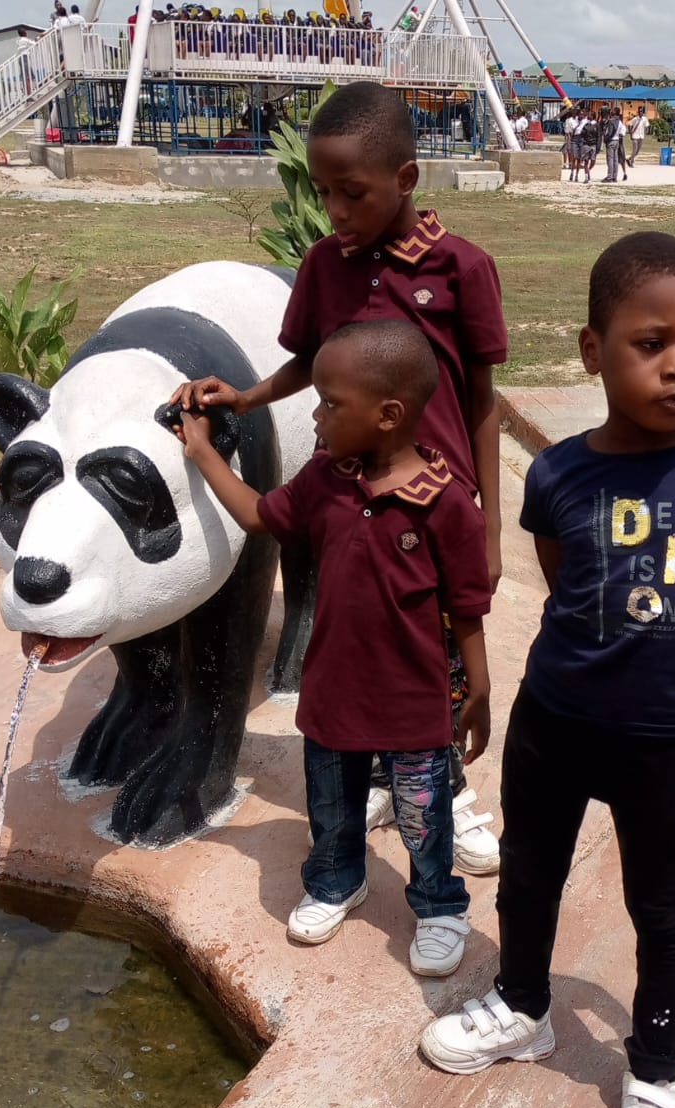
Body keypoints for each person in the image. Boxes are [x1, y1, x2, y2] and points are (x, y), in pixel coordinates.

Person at [418, 231, 675, 1108]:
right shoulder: (556, 474)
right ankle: (523, 1006)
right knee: (528, 876)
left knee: (663, 909)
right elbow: (567, 586)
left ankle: (657, 1070)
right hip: (554, 725)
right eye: (650, 344)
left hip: (666, 744)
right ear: (593, 351)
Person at [170, 81, 508, 874]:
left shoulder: (462, 268)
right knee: (366, 644)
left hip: (435, 503)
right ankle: (382, 777)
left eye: (351, 192)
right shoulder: (325, 265)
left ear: (405, 178)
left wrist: (490, 523)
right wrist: (246, 396)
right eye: (323, 193)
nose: (335, 211)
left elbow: (482, 400)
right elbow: (312, 363)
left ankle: (446, 792)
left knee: (437, 657)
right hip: (351, 498)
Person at [174, 321, 491, 974]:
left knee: (425, 816)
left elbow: (467, 607)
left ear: (388, 415)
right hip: (333, 691)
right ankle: (335, 880)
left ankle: (438, 904)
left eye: (329, 403)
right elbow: (259, 516)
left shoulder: (446, 503)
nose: (316, 415)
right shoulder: (326, 479)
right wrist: (203, 451)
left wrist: (478, 688)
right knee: (332, 806)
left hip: (414, 702)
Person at [575, 107, 599, 184]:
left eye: (590, 115)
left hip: (593, 145)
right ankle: (586, 177)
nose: (588, 116)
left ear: (593, 116)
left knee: (593, 161)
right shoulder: (586, 125)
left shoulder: (596, 125)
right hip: (586, 145)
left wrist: (598, 146)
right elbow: (582, 133)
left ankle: (588, 171)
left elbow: (599, 136)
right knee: (586, 161)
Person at [600, 108, 621, 182]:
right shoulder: (619, 121)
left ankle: (610, 176)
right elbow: (622, 131)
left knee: (610, 160)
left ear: (615, 112)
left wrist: (606, 139)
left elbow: (610, 132)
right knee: (615, 160)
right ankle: (615, 176)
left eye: (613, 111)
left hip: (611, 141)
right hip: (617, 141)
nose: (611, 112)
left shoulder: (611, 121)